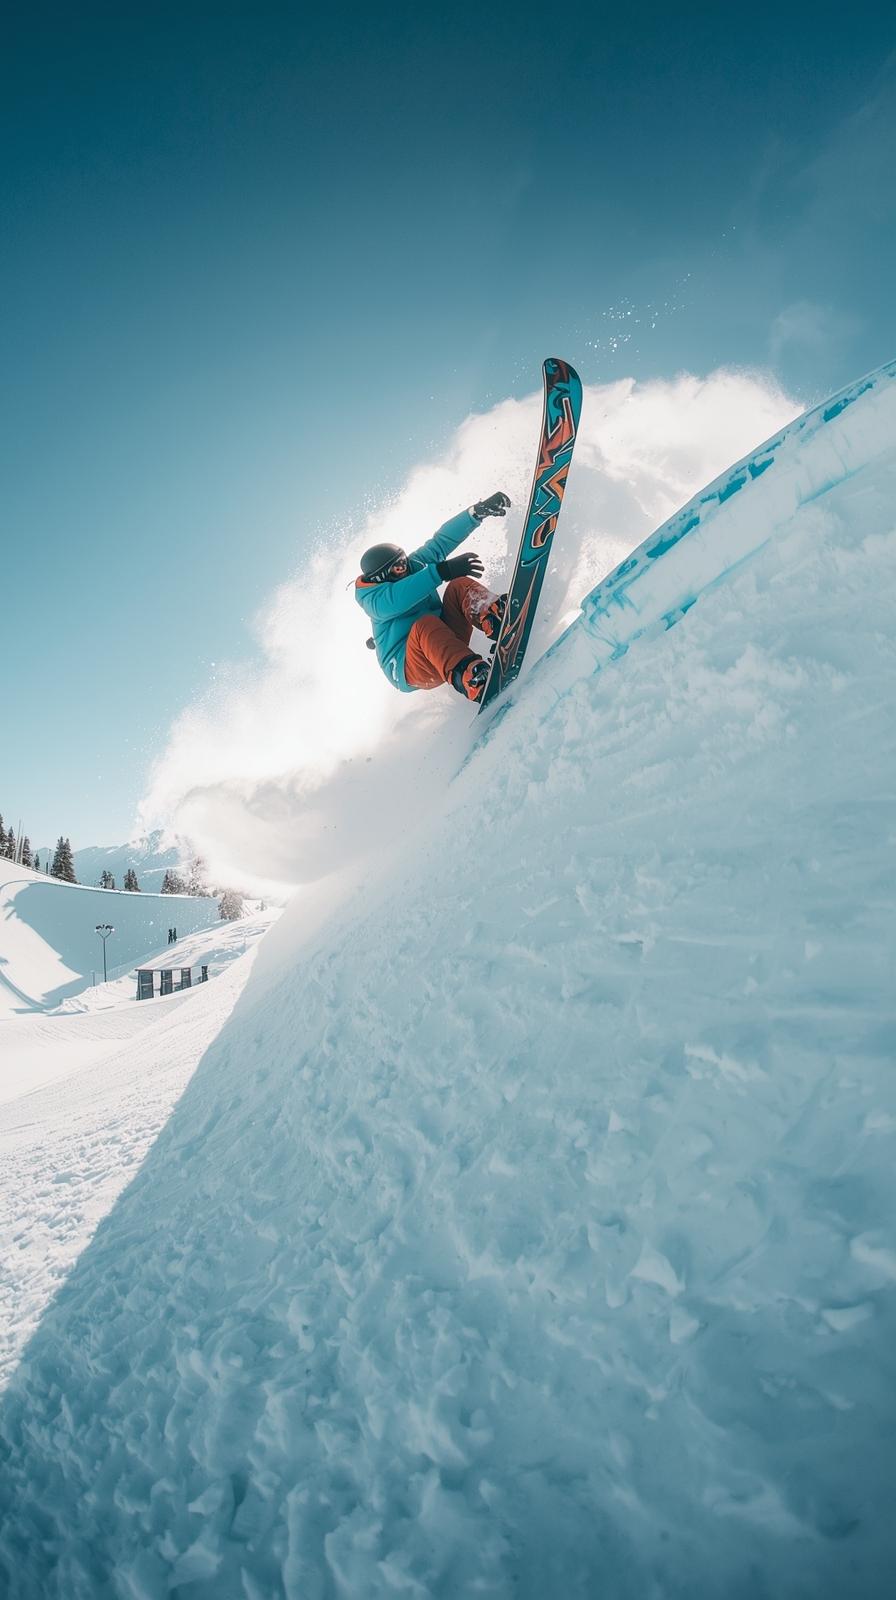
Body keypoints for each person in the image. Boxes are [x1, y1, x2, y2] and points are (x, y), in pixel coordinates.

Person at [354, 492, 511, 702]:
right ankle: (470, 677)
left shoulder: (412, 566)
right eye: (398, 567)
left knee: (457, 586)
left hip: (444, 639)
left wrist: (476, 513)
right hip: (412, 666)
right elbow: (399, 597)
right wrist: (442, 571)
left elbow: (439, 543)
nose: (405, 567)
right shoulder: (375, 601)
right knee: (423, 625)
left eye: (404, 560)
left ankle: (496, 616)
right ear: (383, 576)